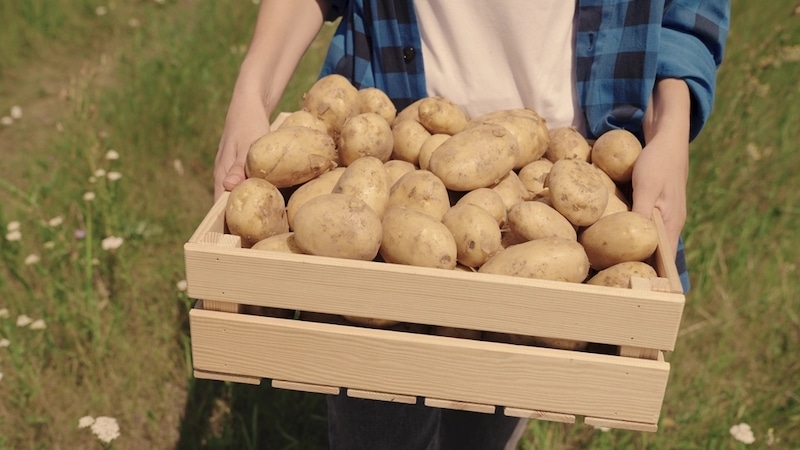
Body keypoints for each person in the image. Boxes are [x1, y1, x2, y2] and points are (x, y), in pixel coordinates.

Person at [214, 1, 730, 449]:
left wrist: (670, 126)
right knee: (377, 428)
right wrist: (252, 93)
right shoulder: (379, 171)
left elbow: (688, 12)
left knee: (489, 423)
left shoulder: (557, 200)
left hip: (568, 158)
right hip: (394, 132)